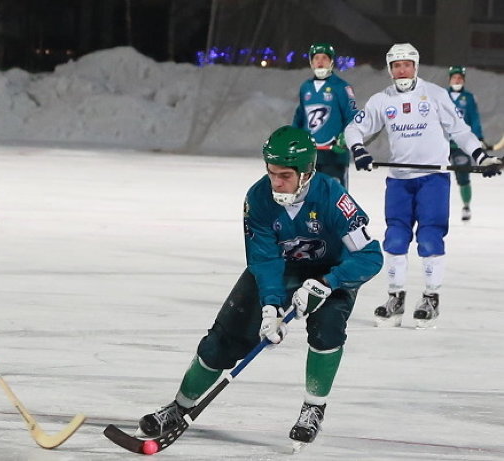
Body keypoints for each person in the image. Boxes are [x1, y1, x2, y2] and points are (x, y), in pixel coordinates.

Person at [137, 126, 382, 446]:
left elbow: (370, 256)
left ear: (307, 172)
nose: (276, 182)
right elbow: (265, 260)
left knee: (327, 329)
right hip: (281, 269)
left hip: (333, 270)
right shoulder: (257, 199)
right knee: (222, 339)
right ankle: (178, 406)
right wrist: (270, 307)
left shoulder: (333, 198)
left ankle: (313, 408)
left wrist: (327, 283)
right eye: (271, 173)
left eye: (284, 175)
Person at [344, 43, 501, 329]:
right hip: (399, 182)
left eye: (406, 64)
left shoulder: (436, 95)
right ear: (390, 69)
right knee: (394, 239)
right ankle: (395, 298)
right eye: (396, 65)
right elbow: (355, 127)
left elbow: (460, 130)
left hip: (433, 181)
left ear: (415, 66)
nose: (401, 69)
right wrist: (359, 149)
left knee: (429, 238)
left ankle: (430, 298)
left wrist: (481, 156)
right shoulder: (382, 100)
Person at [292, 43, 358, 188]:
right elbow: (300, 117)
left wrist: (345, 137)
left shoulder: (342, 87)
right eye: (316, 58)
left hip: (335, 156)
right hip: (310, 156)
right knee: (310, 201)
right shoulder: (306, 87)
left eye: (324, 58)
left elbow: (352, 116)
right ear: (311, 62)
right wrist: (294, 138)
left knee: (335, 200)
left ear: (332, 61)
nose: (320, 62)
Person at [446, 65, 491, 222]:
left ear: (463, 80)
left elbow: (475, 118)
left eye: (459, 78)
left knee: (463, 175)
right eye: (454, 78)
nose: (457, 80)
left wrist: (478, 137)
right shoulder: (441, 95)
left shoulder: (469, 98)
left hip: (461, 145)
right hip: (442, 144)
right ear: (450, 79)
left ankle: (466, 206)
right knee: (435, 175)